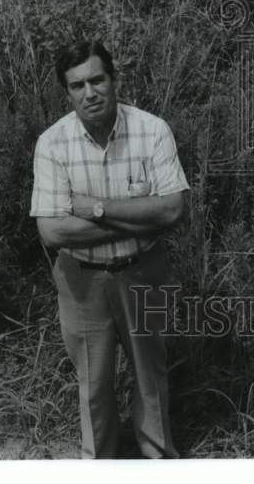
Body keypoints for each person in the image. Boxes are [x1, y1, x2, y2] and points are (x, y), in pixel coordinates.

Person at [30, 39, 188, 459]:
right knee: (93, 384)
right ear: (67, 92)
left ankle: (158, 463)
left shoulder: (152, 130)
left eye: (97, 80)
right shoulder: (52, 143)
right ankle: (98, 474)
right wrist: (137, 216)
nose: (90, 93)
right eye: (77, 85)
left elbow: (172, 209)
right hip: (81, 281)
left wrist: (97, 209)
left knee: (151, 376)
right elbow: (53, 233)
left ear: (114, 79)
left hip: (145, 272)